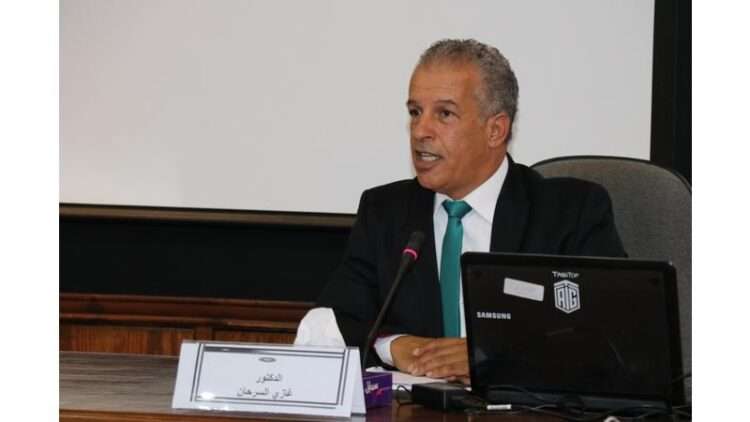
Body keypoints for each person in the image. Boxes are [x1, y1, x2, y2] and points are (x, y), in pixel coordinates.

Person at [317, 39, 625, 384]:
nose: (420, 131)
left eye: (444, 114)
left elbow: (611, 336)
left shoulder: (570, 213)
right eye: (415, 112)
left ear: (495, 130)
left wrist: (490, 356)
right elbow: (334, 320)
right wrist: (395, 346)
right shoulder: (384, 213)